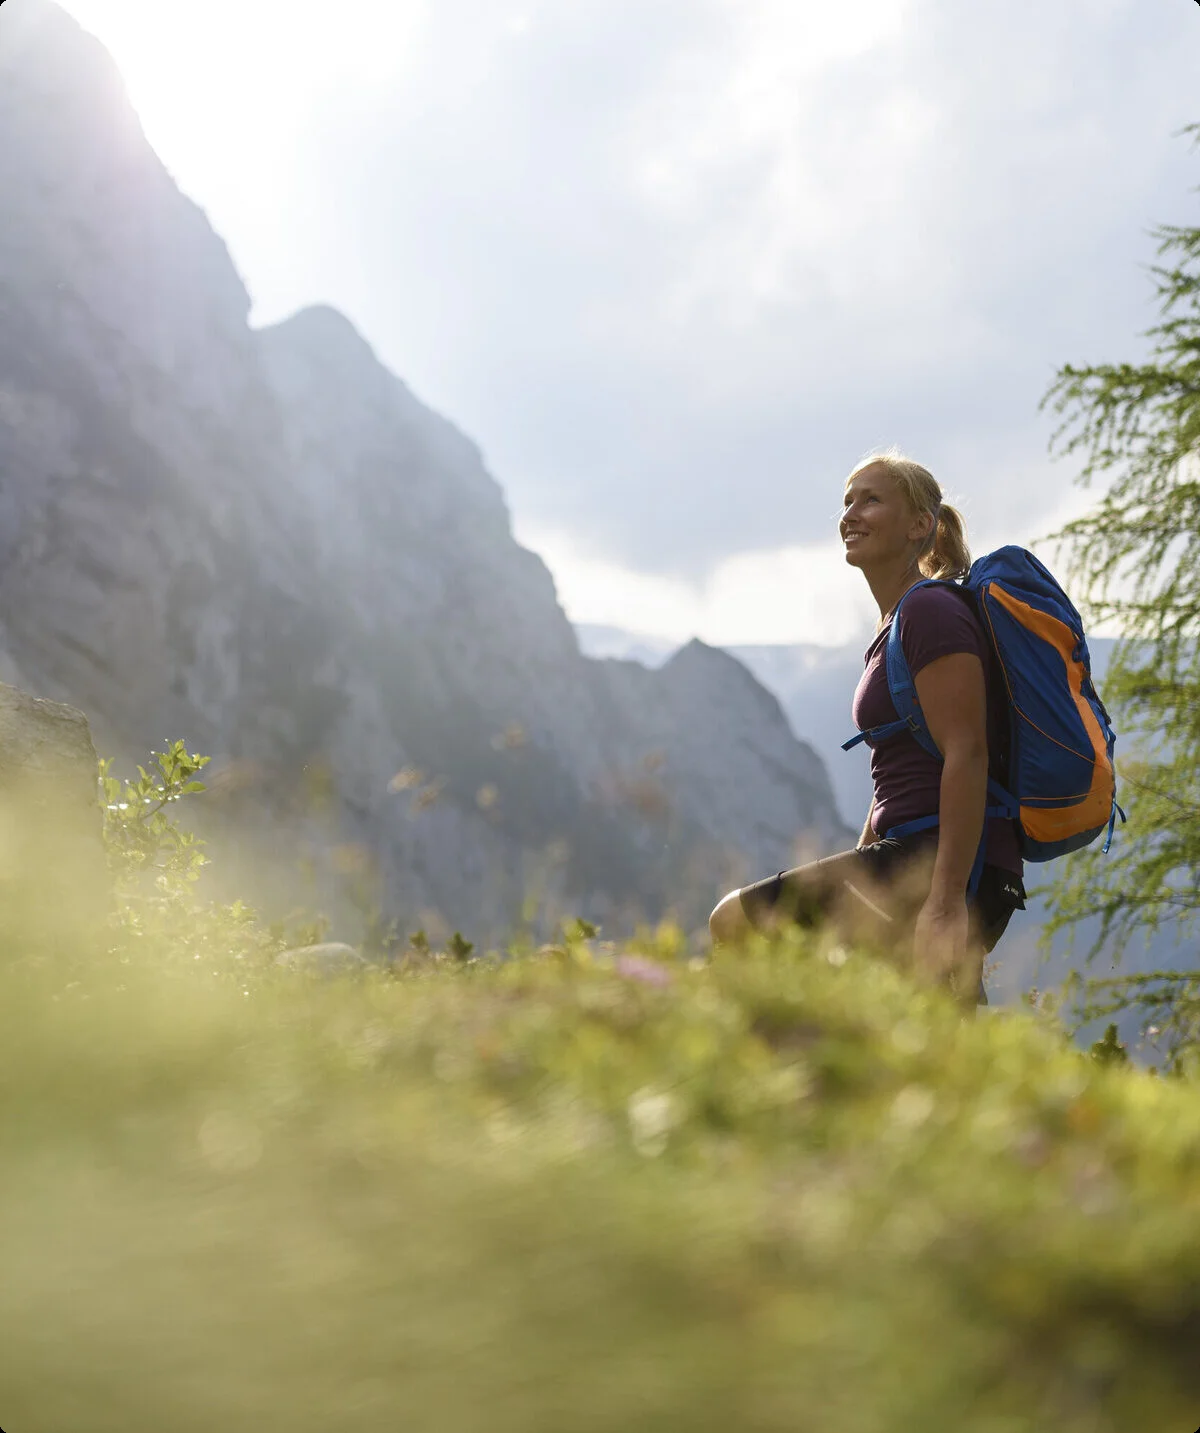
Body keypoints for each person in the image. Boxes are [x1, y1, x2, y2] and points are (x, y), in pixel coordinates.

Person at [708, 450, 1025, 1006]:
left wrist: (946, 900)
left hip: (943, 865)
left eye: (871, 499)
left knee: (735, 921)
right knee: (915, 1029)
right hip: (929, 858)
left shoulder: (931, 611)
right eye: (847, 501)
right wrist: (863, 850)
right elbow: (900, 773)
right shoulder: (898, 623)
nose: (850, 513)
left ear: (920, 525)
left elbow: (967, 753)